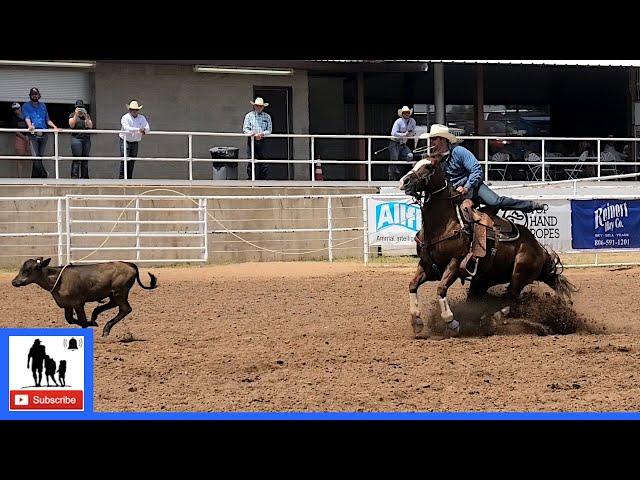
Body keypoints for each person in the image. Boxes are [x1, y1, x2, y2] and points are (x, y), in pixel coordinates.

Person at [425, 124, 546, 215]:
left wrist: (467, 186)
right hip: (454, 194)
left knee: (495, 202)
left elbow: (476, 170)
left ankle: (529, 205)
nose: (431, 142)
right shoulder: (434, 159)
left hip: (474, 188)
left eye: (434, 139)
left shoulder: (459, 151)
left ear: (442, 139)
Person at [21, 87, 59, 178]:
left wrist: (55, 127)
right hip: (33, 135)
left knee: (39, 157)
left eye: (36, 94)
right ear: (30, 96)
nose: (34, 96)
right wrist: (30, 126)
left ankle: (34, 178)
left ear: (39, 95)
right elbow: (27, 117)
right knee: (36, 157)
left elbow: (47, 119)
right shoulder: (26, 105)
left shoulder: (43, 105)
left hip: (43, 134)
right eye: (33, 94)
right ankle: (44, 174)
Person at [118, 100, 150, 179]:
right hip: (125, 140)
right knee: (125, 159)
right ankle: (122, 178)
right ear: (129, 110)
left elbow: (147, 128)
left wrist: (143, 130)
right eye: (132, 109)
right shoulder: (125, 117)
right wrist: (139, 130)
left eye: (136, 110)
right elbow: (127, 128)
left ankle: (129, 178)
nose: (134, 111)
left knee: (132, 160)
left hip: (135, 141)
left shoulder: (142, 118)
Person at [243, 97, 272, 180]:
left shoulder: (267, 117)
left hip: (263, 140)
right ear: (254, 106)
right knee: (251, 159)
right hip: (252, 140)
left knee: (264, 161)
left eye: (260, 106)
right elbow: (245, 128)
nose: (258, 107)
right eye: (257, 106)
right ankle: (251, 178)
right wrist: (252, 134)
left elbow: (269, 130)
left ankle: (263, 180)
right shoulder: (249, 116)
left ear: (263, 107)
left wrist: (262, 134)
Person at [388, 106, 416, 181]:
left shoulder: (412, 121)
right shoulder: (398, 121)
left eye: (408, 112)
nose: (407, 114)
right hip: (394, 143)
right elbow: (393, 133)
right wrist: (403, 135)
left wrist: (410, 134)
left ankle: (400, 170)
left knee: (410, 156)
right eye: (405, 113)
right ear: (402, 114)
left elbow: (413, 131)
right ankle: (392, 178)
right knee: (394, 160)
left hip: (403, 144)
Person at [68, 99, 93, 179]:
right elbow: (71, 125)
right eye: (78, 107)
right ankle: (74, 177)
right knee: (76, 158)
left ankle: (85, 177)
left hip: (86, 139)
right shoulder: (72, 115)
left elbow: (90, 126)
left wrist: (85, 116)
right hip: (76, 139)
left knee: (85, 159)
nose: (80, 109)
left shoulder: (87, 115)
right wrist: (76, 114)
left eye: (81, 107)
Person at [9, 102, 31, 178]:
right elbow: (15, 131)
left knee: (29, 159)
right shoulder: (13, 119)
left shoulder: (26, 116)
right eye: (14, 109)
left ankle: (28, 177)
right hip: (20, 139)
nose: (16, 110)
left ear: (20, 108)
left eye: (17, 108)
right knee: (20, 159)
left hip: (29, 138)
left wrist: (28, 137)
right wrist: (24, 138)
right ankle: (20, 177)